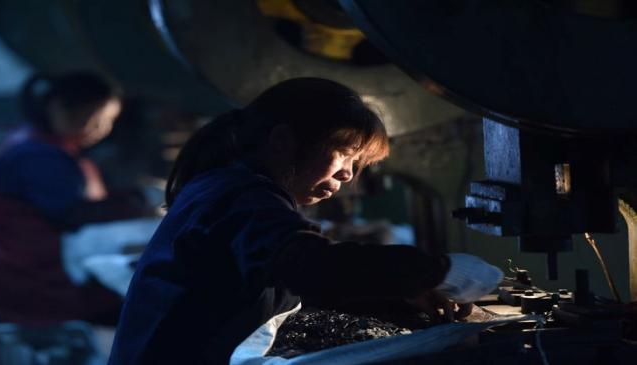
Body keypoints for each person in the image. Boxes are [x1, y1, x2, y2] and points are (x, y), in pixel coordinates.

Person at [108, 78, 502, 364]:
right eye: (345, 154)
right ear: (283, 141)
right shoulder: (243, 197)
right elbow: (311, 266)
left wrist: (398, 294)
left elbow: (280, 281)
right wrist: (438, 271)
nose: (349, 175)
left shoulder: (226, 185)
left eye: (357, 164)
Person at [0, 71, 153, 326]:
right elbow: (71, 215)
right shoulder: (37, 156)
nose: (102, 129)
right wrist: (138, 205)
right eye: (95, 119)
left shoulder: (46, 145)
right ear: (59, 108)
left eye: (109, 120)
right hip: (36, 282)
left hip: (25, 273)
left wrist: (129, 197)